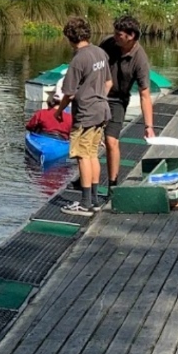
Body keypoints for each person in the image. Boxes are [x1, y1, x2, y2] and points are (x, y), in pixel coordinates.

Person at [56, 16, 112, 216]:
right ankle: (94, 200)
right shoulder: (100, 53)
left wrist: (59, 111)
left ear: (70, 37)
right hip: (102, 110)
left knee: (82, 156)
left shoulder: (78, 59)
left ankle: (85, 203)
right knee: (93, 154)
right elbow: (108, 83)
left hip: (86, 113)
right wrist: (99, 98)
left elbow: (68, 93)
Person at [100, 14, 155, 186]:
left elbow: (145, 95)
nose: (115, 36)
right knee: (89, 138)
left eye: (119, 35)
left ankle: (112, 183)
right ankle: (86, 179)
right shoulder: (108, 44)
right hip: (98, 95)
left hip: (117, 99)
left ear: (131, 36)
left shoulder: (140, 59)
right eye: (115, 33)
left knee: (111, 140)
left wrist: (149, 127)